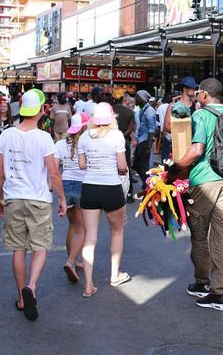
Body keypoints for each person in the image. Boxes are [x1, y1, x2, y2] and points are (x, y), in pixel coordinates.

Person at [0, 88, 66, 321]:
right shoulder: (45, 138)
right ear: (41, 111)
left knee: (18, 248)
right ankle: (32, 287)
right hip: (39, 199)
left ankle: (22, 298)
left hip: (13, 197)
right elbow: (53, 174)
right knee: (40, 246)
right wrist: (62, 198)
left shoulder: (6, 135)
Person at [169, 78, 223, 311]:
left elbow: (195, 150)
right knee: (219, 237)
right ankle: (220, 293)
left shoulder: (200, 116)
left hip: (203, 182)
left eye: (198, 93)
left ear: (205, 95)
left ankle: (201, 283)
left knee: (199, 236)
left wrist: (174, 168)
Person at [78, 102, 131, 298]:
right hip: (111, 188)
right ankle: (115, 275)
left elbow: (82, 165)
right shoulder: (116, 136)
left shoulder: (84, 136)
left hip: (89, 188)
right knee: (117, 233)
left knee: (89, 238)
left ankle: (88, 285)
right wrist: (122, 170)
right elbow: (122, 165)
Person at [56, 113, 89, 284]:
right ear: (83, 127)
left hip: (66, 184)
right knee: (83, 229)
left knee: (73, 226)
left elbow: (54, 168)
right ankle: (70, 261)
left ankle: (74, 259)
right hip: (83, 184)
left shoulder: (60, 143)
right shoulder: (87, 143)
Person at [133, 90, 157, 194]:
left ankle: (147, 184)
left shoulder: (149, 110)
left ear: (142, 98)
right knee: (137, 164)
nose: (135, 99)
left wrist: (149, 146)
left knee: (143, 165)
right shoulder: (143, 109)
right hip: (141, 140)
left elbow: (152, 129)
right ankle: (146, 183)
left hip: (145, 141)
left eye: (136, 97)